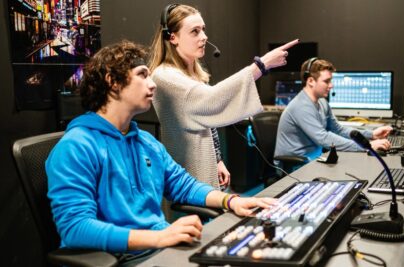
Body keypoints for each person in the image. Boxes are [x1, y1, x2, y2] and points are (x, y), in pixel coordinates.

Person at [46, 40, 276, 258]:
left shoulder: (146, 142)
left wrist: (231, 201)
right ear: (113, 82)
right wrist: (158, 237)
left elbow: (184, 186)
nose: (153, 83)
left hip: (158, 249)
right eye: (142, 75)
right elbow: (75, 229)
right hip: (119, 258)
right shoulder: (75, 147)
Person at [148, 3, 299, 190]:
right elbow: (211, 100)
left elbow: (206, 121)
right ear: (172, 37)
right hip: (186, 179)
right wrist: (261, 65)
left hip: (203, 168)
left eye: (203, 30)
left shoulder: (192, 75)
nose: (204, 37)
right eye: (195, 32)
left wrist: (217, 160)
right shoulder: (164, 77)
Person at [274, 58, 392, 162]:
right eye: (326, 81)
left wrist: (371, 135)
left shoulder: (322, 102)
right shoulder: (301, 106)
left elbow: (338, 130)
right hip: (296, 166)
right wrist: (367, 146)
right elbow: (324, 138)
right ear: (310, 81)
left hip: (315, 159)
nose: (331, 85)